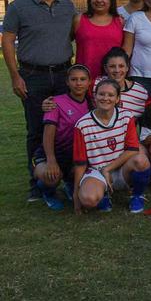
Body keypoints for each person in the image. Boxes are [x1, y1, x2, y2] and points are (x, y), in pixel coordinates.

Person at [2, 0, 76, 201]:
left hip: (64, 75)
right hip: (33, 76)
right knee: (36, 129)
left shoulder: (68, 6)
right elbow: (7, 42)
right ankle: (37, 184)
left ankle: (67, 178)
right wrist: (16, 76)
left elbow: (76, 35)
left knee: (67, 128)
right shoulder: (19, 7)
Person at [72, 78, 151, 214]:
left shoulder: (126, 117)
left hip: (121, 168)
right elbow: (80, 162)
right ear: (94, 97)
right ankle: (103, 194)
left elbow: (132, 149)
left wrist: (108, 169)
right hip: (97, 171)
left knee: (141, 160)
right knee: (88, 199)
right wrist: (76, 193)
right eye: (101, 94)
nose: (105, 98)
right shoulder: (82, 125)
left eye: (110, 95)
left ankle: (137, 195)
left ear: (117, 99)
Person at [33, 64, 92, 211]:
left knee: (84, 173)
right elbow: (48, 133)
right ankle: (48, 192)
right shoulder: (55, 103)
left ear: (89, 82)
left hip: (74, 156)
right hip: (50, 154)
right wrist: (51, 160)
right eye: (74, 79)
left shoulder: (93, 103)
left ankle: (69, 183)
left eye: (83, 79)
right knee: (52, 175)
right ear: (67, 82)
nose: (78, 83)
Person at [73, 0, 124, 78]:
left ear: (111, 0)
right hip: (84, 80)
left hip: (112, 79)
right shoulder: (79, 19)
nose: (99, 0)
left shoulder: (120, 21)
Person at [93, 47, 150, 118]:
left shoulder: (140, 92)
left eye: (121, 66)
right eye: (112, 66)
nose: (117, 70)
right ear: (105, 68)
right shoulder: (95, 85)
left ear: (127, 67)